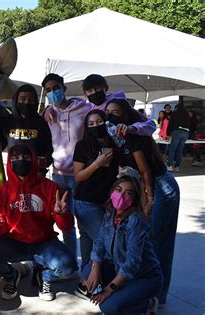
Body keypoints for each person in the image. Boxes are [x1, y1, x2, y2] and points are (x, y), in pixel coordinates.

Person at [105, 98, 180, 306]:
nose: (111, 116)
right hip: (143, 186)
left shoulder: (132, 134)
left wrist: (148, 201)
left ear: (126, 114)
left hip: (159, 186)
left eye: (116, 112)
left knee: (159, 243)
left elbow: (146, 171)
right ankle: (147, 292)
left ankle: (158, 296)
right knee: (144, 242)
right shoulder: (115, 137)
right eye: (108, 112)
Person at [0, 144, 77, 302]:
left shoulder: (50, 187)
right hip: (14, 242)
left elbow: (66, 227)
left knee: (69, 266)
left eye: (25, 157)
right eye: (16, 158)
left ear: (33, 160)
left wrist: (61, 213)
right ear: (9, 162)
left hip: (43, 243)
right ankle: (12, 276)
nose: (21, 161)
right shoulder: (1, 192)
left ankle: (44, 276)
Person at [75, 176, 163, 315]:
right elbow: (98, 243)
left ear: (134, 198)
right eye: (119, 189)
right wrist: (95, 268)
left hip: (145, 277)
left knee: (108, 307)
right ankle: (124, 294)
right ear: (112, 192)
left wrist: (109, 290)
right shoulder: (110, 214)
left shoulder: (136, 221)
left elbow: (132, 263)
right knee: (88, 271)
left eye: (128, 193)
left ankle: (147, 304)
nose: (121, 195)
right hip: (120, 269)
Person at [41, 73, 90, 262]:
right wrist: (46, 110)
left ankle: (88, 265)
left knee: (84, 221)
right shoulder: (48, 113)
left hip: (80, 174)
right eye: (48, 90)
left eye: (56, 88)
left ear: (64, 88)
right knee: (65, 222)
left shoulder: (84, 109)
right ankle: (71, 264)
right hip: (58, 175)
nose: (53, 92)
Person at [73, 109, 119, 270]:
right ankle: (95, 277)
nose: (96, 126)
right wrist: (97, 163)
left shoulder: (113, 143)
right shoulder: (82, 145)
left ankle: (86, 280)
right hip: (86, 203)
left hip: (106, 203)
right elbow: (78, 176)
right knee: (107, 243)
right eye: (91, 124)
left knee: (87, 241)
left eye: (99, 122)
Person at [82, 74, 157, 137]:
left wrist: (132, 128)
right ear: (85, 94)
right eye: (90, 90)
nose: (94, 92)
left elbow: (150, 124)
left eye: (98, 88)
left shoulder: (118, 103)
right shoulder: (89, 109)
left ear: (106, 88)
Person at [7, 84, 53, 176]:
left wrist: (46, 160)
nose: (26, 102)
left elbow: (49, 146)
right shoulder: (7, 121)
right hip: (14, 172)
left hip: (37, 172)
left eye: (31, 100)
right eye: (23, 99)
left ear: (35, 101)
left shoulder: (41, 122)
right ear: (16, 100)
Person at [166, 103, 191, 172]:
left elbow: (171, 123)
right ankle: (177, 166)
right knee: (180, 150)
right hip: (186, 132)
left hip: (177, 132)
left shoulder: (175, 113)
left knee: (172, 149)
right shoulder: (187, 114)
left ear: (176, 108)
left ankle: (169, 165)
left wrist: (168, 133)